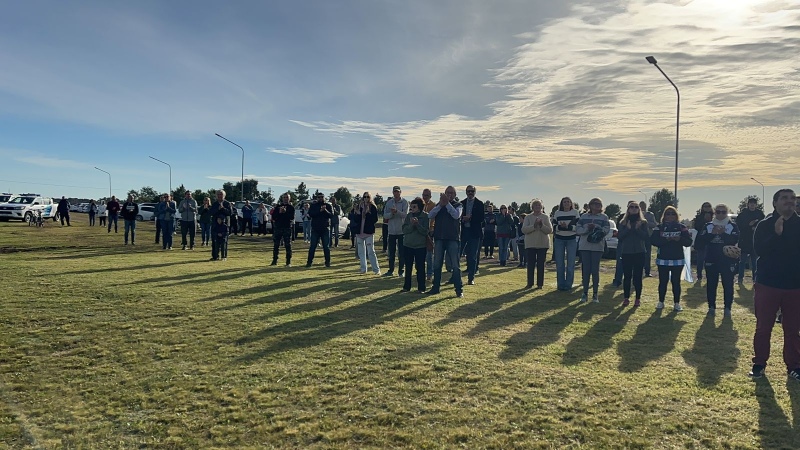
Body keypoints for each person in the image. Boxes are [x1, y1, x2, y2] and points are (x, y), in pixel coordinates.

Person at [749, 189, 800, 379]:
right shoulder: (765, 225)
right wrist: (776, 234)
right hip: (768, 283)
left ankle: (794, 366)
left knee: (793, 329)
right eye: (785, 198)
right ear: (775, 203)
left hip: (795, 285)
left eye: (792, 198)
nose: (790, 202)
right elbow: (759, 250)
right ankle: (759, 363)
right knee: (763, 327)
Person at [696, 203, 740, 317]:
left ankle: (727, 308)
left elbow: (735, 239)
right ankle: (711, 307)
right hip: (711, 259)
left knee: (728, 284)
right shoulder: (708, 226)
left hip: (727, 260)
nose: (721, 214)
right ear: (714, 213)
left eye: (723, 212)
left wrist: (723, 234)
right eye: (718, 212)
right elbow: (699, 242)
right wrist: (712, 234)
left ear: (727, 213)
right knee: (711, 284)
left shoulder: (732, 226)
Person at [651, 206, 693, 311]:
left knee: (676, 282)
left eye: (672, 213)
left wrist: (679, 239)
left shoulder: (682, 227)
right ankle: (661, 302)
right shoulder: (659, 227)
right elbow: (653, 241)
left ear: (676, 215)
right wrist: (667, 240)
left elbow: (688, 242)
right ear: (664, 216)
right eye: (668, 213)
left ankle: (677, 303)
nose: (670, 216)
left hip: (677, 259)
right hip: (663, 259)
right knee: (663, 281)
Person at [427, 186, 464, 298]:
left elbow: (456, 215)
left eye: (451, 193)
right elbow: (430, 215)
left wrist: (447, 204)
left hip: (452, 238)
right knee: (437, 263)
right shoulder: (439, 205)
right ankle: (435, 287)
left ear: (455, 194)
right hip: (439, 238)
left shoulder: (458, 205)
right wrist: (440, 205)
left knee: (455, 265)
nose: (449, 195)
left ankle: (459, 289)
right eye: (447, 193)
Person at [576, 198, 610, 303]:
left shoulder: (604, 217)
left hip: (597, 247)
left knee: (595, 270)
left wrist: (596, 228)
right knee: (585, 270)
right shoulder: (584, 216)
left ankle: (595, 294)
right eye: (595, 204)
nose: (597, 206)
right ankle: (584, 293)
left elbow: (606, 230)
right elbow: (578, 229)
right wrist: (587, 229)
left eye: (599, 204)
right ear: (590, 205)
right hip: (585, 246)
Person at [617, 201, 650, 307]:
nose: (634, 209)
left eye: (636, 207)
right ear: (628, 209)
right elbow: (620, 237)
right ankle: (626, 298)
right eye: (632, 207)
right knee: (627, 276)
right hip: (626, 252)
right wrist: (628, 229)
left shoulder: (643, 222)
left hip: (639, 252)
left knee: (638, 276)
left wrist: (637, 229)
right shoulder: (623, 222)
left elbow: (646, 237)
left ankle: (637, 298)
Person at [521, 199, 553, 289]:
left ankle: (540, 284)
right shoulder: (528, 217)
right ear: (532, 207)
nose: (537, 207)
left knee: (541, 265)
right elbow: (524, 230)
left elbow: (550, 230)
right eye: (535, 205)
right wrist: (534, 226)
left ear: (542, 207)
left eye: (539, 205)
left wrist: (542, 225)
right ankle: (530, 283)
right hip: (530, 244)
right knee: (530, 264)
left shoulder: (545, 217)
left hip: (542, 244)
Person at [401, 197, 430, 293]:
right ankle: (406, 287)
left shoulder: (425, 216)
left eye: (414, 206)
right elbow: (404, 230)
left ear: (419, 207)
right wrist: (411, 225)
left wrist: (417, 224)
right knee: (408, 267)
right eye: (411, 206)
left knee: (420, 268)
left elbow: (425, 232)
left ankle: (421, 288)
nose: (412, 208)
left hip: (420, 246)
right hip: (408, 245)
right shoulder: (409, 216)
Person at [552, 196, 580, 291]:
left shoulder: (575, 213)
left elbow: (578, 226)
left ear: (571, 203)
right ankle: (560, 285)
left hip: (571, 239)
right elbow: (554, 226)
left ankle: (568, 285)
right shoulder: (557, 213)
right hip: (559, 239)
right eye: (564, 202)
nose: (566, 203)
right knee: (559, 263)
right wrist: (560, 227)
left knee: (570, 263)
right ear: (562, 204)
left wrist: (568, 227)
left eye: (568, 202)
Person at [460, 185, 485, 286]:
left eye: (472, 191)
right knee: (458, 254)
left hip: (474, 232)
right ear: (466, 192)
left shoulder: (479, 204)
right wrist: (463, 219)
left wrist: (470, 218)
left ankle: (471, 278)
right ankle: (455, 277)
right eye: (468, 191)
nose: (470, 193)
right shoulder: (462, 203)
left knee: (473, 256)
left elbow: (481, 218)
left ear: (475, 192)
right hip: (463, 231)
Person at [383, 186, 409, 277]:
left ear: (400, 192)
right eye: (395, 191)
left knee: (402, 252)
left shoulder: (404, 202)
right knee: (391, 252)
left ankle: (401, 271)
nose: (396, 193)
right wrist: (391, 214)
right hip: (391, 231)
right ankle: (390, 270)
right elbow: (385, 216)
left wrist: (397, 211)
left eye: (398, 191)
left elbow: (405, 215)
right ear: (393, 192)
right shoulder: (389, 203)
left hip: (401, 231)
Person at [737, 197, 764, 284]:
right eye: (751, 203)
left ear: (756, 205)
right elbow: (739, 227)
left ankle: (755, 279)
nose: (752, 205)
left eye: (754, 204)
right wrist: (749, 226)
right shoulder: (742, 214)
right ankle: (740, 278)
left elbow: (764, 226)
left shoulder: (760, 214)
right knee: (742, 262)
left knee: (754, 262)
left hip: (755, 241)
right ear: (748, 204)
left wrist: (755, 227)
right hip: (744, 240)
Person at [353, 192, 381, 274]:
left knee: (371, 251)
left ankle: (376, 270)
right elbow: (355, 220)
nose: (366, 198)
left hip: (368, 232)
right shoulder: (359, 206)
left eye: (367, 197)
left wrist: (368, 214)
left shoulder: (373, 207)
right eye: (364, 197)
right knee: (361, 252)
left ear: (370, 198)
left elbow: (375, 219)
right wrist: (357, 213)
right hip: (359, 232)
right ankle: (363, 269)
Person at [306, 192, 333, 267]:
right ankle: (309, 263)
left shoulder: (328, 205)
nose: (320, 198)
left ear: (324, 198)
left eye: (322, 197)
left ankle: (327, 263)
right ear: (317, 198)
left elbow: (331, 215)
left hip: (325, 229)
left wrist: (325, 210)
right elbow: (311, 214)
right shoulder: (313, 206)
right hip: (315, 229)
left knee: (326, 247)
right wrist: (320, 211)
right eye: (319, 197)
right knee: (312, 246)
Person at [270, 193, 295, 266]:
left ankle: (288, 262)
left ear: (289, 198)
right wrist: (280, 213)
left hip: (287, 227)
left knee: (288, 245)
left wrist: (285, 212)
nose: (285, 199)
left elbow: (291, 217)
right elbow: (274, 217)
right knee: (276, 245)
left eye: (287, 197)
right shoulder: (278, 207)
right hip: (278, 227)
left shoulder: (291, 208)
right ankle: (274, 261)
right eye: (284, 197)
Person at [692, 202, 714, 281]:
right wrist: (704, 221)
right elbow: (696, 227)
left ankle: (710, 275)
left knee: (711, 259)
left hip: (712, 239)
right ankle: (699, 275)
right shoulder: (699, 217)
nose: (707, 208)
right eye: (705, 206)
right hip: (701, 239)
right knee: (700, 259)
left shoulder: (714, 216)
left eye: (708, 206)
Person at [209, 191, 232, 260]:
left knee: (224, 242)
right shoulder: (215, 204)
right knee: (214, 241)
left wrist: (223, 209)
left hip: (224, 226)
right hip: (215, 225)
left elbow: (230, 213)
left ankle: (224, 256)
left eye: (221, 194)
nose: (219, 196)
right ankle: (215, 256)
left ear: (224, 195)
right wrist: (217, 209)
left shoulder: (227, 203)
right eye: (218, 194)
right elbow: (211, 213)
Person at [422, 189, 437, 282]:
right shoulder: (420, 204)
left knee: (429, 254)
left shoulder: (434, 206)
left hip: (430, 231)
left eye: (427, 195)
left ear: (430, 196)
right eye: (424, 195)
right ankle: (421, 272)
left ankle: (429, 273)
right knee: (421, 254)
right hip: (421, 231)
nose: (425, 197)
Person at [639, 201, 657, 277]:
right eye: (641, 205)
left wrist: (645, 222)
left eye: (644, 205)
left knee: (647, 254)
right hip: (639, 237)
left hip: (648, 237)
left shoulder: (650, 215)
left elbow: (654, 224)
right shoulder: (637, 214)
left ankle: (647, 271)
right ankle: (639, 270)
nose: (642, 207)